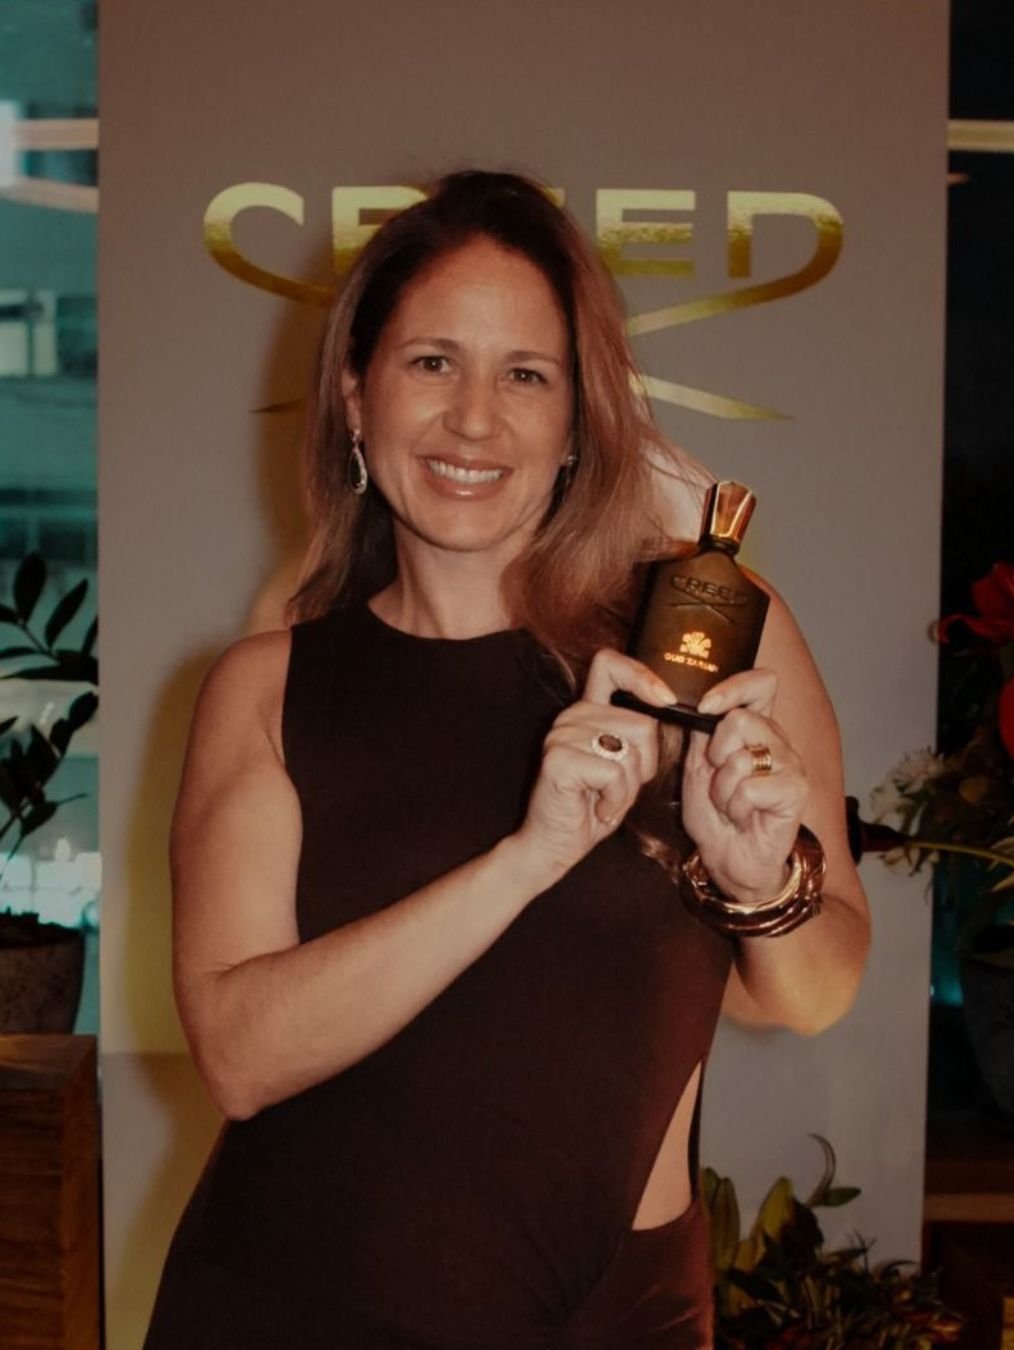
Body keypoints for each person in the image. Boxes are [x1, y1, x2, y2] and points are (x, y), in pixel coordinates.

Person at [143, 170, 869, 1349]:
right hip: (297, 1305)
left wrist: (757, 887)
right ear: (354, 394)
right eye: (433, 362)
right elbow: (237, 1055)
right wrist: (524, 860)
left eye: (526, 374)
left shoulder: (701, 634)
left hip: (616, 1318)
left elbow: (818, 990)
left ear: (580, 418)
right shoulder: (271, 688)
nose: (475, 419)